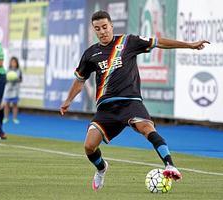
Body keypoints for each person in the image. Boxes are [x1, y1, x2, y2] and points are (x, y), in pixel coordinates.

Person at [60, 10, 209, 191]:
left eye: (105, 27)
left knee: (147, 129)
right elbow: (80, 80)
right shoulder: (91, 54)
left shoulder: (128, 42)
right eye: (97, 29)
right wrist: (68, 100)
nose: (102, 31)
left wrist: (190, 45)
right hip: (106, 108)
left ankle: (170, 165)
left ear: (112, 26)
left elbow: (158, 42)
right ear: (94, 30)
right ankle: (101, 168)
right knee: (89, 146)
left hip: (131, 102)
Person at [3, 57, 22, 124]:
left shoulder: (18, 70)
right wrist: (8, 79)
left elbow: (20, 80)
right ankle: (5, 118)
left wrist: (16, 79)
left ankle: (15, 118)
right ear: (10, 63)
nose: (13, 63)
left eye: (15, 62)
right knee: (6, 104)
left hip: (15, 90)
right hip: (8, 90)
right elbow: (4, 79)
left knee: (15, 104)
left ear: (17, 63)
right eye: (12, 62)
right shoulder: (8, 70)